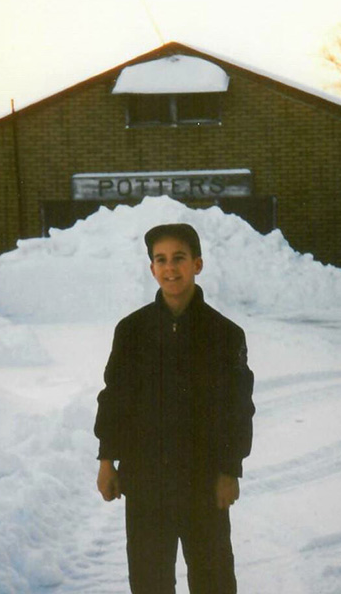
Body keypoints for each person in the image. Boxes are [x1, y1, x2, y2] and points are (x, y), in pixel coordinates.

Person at [94, 222, 255, 594]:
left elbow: (237, 409)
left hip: (203, 482)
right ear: (151, 268)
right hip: (146, 482)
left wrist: (229, 470)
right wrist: (107, 459)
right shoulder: (132, 331)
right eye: (161, 260)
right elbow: (114, 397)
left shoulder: (224, 333)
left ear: (197, 264)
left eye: (179, 258)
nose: (170, 268)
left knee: (213, 579)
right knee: (150, 581)